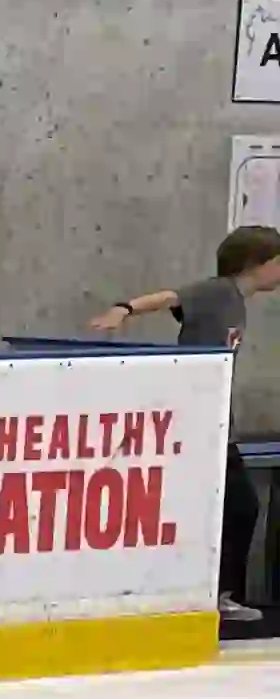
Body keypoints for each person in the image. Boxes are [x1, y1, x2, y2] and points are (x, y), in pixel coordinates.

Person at [95, 224, 278, 626]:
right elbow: (171, 297)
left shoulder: (236, 302)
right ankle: (217, 594)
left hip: (216, 422)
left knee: (234, 507)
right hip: (200, 421)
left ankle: (215, 592)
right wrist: (125, 308)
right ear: (256, 264)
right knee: (240, 506)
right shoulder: (218, 292)